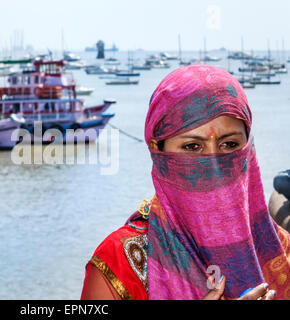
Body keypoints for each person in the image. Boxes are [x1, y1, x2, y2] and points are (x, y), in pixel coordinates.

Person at [80, 65, 290, 300]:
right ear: (157, 151)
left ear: (248, 150)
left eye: (229, 145)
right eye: (192, 147)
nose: (213, 164)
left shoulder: (282, 251)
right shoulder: (121, 262)